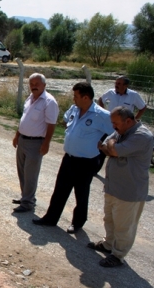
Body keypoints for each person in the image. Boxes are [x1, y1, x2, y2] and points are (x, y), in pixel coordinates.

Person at [32, 82, 113, 233]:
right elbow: (65, 120)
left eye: (76, 96)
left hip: (86, 162)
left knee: (81, 193)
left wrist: (104, 145)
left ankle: (77, 222)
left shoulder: (101, 115)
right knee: (60, 189)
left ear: (86, 97)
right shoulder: (74, 109)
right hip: (69, 158)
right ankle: (51, 218)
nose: (73, 99)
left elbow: (115, 132)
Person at [88, 106, 153, 267]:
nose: (113, 127)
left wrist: (111, 146)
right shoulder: (121, 131)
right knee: (109, 219)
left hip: (129, 190)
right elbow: (102, 145)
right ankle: (108, 244)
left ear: (128, 121)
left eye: (115, 123)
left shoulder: (142, 136)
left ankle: (118, 255)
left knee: (124, 226)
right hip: (113, 187)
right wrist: (111, 146)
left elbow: (113, 150)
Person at [12, 73, 59, 213]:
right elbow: (23, 119)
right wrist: (17, 135)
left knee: (30, 174)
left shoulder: (49, 102)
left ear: (44, 85)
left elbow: (51, 124)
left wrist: (46, 143)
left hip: (36, 142)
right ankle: (25, 197)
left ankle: (28, 203)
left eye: (37, 84)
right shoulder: (30, 98)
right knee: (22, 171)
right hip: (23, 140)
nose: (34, 86)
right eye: (31, 84)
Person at [95, 76, 147, 173]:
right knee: (102, 146)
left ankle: (118, 170)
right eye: (116, 83)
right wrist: (105, 112)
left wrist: (134, 120)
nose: (116, 85)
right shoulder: (111, 92)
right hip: (109, 125)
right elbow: (101, 100)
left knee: (119, 149)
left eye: (119, 83)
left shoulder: (133, 95)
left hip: (123, 128)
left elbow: (143, 107)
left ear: (125, 85)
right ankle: (95, 169)